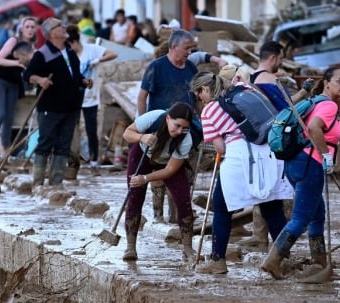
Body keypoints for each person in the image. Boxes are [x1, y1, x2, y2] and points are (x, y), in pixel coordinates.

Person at [190, 70, 292, 274]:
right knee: (271, 207)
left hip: (239, 157)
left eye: (198, 93)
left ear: (204, 89)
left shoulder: (209, 110)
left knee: (221, 207)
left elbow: (220, 148)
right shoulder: (244, 89)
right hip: (269, 151)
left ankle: (217, 260)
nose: (199, 98)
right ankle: (283, 259)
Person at [260, 66, 340, 280]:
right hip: (311, 164)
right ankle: (273, 260)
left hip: (295, 162)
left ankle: (319, 261)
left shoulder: (316, 102)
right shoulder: (328, 106)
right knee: (301, 217)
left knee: (317, 213)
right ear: (327, 83)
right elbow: (314, 129)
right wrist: (326, 155)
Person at [238, 41, 311, 249]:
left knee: (262, 185)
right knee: (279, 188)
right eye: (280, 58)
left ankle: (259, 235)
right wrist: (306, 93)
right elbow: (288, 108)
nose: (281, 62)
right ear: (272, 58)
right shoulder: (271, 80)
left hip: (256, 139)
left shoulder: (250, 78)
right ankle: (281, 238)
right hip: (277, 138)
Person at [120, 102, 196, 261]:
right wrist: (142, 136)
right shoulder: (153, 118)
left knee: (183, 200)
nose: (179, 131)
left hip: (167, 161)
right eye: (177, 125)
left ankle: (188, 249)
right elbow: (127, 133)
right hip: (142, 154)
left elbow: (170, 170)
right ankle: (130, 247)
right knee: (135, 196)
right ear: (168, 118)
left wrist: (145, 178)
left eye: (184, 128)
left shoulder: (186, 139)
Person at [137, 29, 198, 222]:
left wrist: (202, 121)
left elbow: (196, 100)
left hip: (186, 128)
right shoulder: (156, 67)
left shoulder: (190, 69)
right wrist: (143, 123)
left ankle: (177, 215)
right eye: (187, 48)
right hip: (161, 127)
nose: (189, 52)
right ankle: (158, 215)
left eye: (191, 49)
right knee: (157, 168)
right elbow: (142, 96)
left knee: (182, 172)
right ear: (174, 47)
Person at [23, 18, 92, 186]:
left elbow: (74, 75)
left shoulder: (69, 51)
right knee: (45, 142)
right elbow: (28, 74)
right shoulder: (42, 53)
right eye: (60, 26)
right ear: (52, 33)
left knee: (64, 145)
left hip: (71, 107)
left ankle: (56, 183)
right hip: (50, 107)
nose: (64, 27)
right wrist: (40, 80)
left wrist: (83, 81)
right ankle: (38, 183)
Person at [65, 25, 117, 178]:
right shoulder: (68, 55)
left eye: (70, 45)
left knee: (91, 130)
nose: (70, 48)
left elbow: (113, 54)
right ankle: (73, 162)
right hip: (73, 97)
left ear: (75, 42)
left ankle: (94, 162)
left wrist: (98, 60)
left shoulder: (91, 49)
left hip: (90, 97)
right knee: (72, 130)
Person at [0, 16, 38, 158]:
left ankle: (5, 147)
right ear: (21, 29)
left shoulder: (33, 48)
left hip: (15, 82)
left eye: (32, 27)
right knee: (1, 113)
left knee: (10, 117)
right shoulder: (13, 41)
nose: (29, 29)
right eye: (27, 26)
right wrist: (17, 64)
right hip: (0, 79)